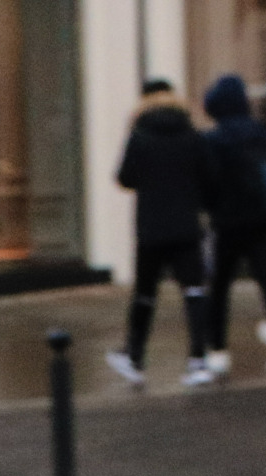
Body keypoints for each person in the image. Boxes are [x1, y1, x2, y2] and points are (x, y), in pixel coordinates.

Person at [109, 81, 217, 390]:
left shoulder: (140, 136)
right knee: (194, 291)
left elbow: (124, 178)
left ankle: (135, 356)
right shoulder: (192, 136)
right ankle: (198, 359)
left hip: (151, 227)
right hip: (186, 225)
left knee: (145, 293)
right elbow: (210, 178)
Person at [200, 73, 266, 377]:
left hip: (228, 223)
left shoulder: (213, 140)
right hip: (261, 221)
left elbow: (207, 183)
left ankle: (217, 351)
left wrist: (211, 210)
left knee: (219, 287)